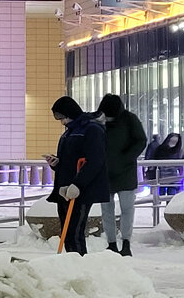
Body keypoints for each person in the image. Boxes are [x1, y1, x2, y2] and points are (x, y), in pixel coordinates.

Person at [45, 96, 109, 256]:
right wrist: (56, 164)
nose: (61, 121)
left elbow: (95, 161)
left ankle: (81, 266)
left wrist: (78, 184)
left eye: (61, 117)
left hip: (81, 189)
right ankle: (71, 264)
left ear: (70, 113)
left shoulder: (92, 130)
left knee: (74, 232)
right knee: (67, 233)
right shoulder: (68, 134)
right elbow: (69, 161)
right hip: (65, 189)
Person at [95, 94, 147, 256]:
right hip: (107, 173)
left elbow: (141, 140)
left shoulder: (129, 119)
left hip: (124, 172)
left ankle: (125, 242)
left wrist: (125, 158)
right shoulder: (98, 120)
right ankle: (112, 243)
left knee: (126, 209)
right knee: (108, 211)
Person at [151, 133, 184, 197]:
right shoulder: (178, 150)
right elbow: (183, 159)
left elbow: (155, 158)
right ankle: (166, 205)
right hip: (171, 176)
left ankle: (160, 204)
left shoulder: (160, 149)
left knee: (163, 193)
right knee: (170, 194)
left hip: (163, 175)